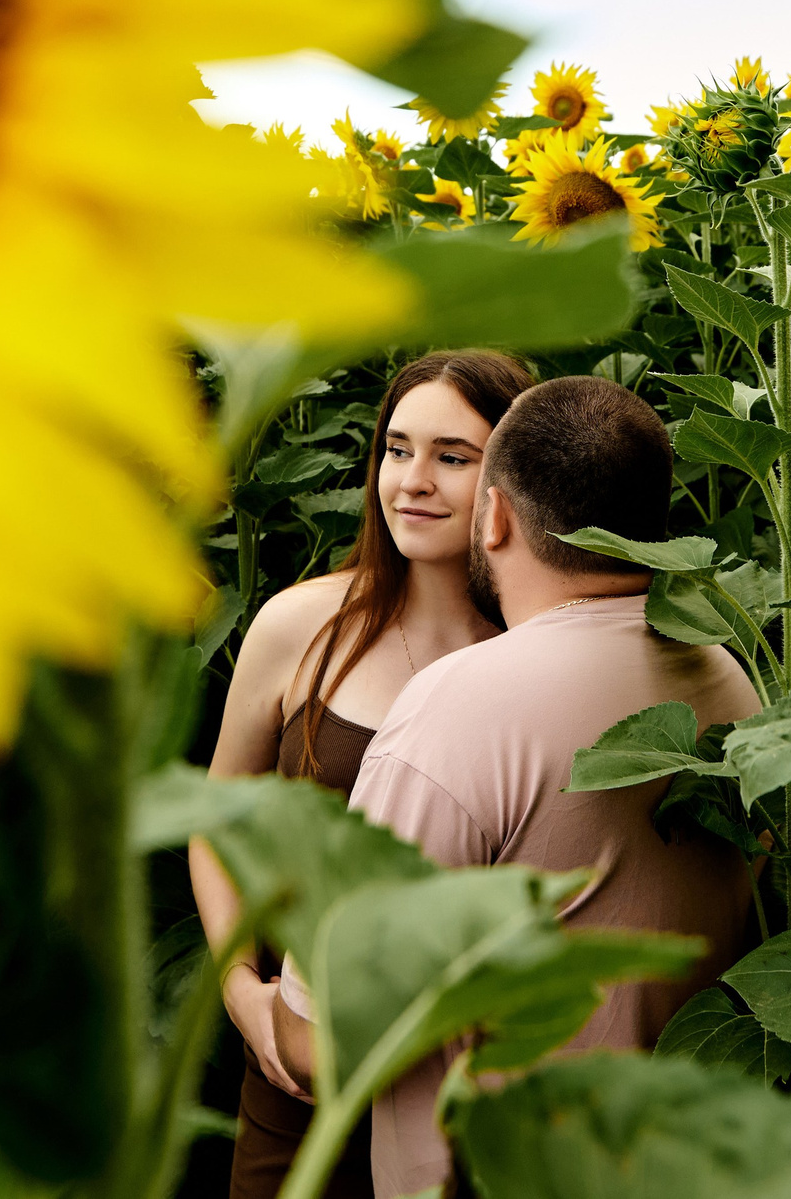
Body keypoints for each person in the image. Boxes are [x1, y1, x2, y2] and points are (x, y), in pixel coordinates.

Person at [271, 375, 762, 1198]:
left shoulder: (459, 706)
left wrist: (262, 1011)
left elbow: (334, 1040)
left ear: (494, 515)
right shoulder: (726, 672)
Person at [189, 349, 533, 1199]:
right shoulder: (299, 625)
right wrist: (241, 991)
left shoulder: (532, 662)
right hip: (298, 1067)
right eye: (396, 447)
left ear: (513, 480)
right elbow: (218, 811)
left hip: (455, 1085)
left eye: (453, 457)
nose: (413, 479)